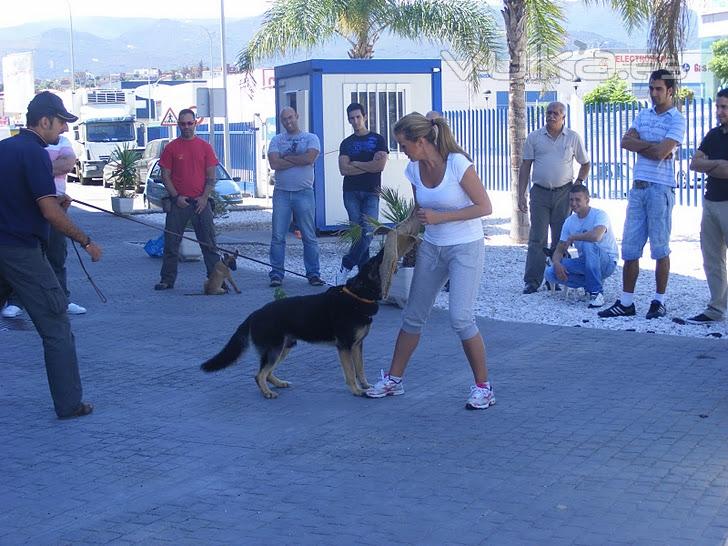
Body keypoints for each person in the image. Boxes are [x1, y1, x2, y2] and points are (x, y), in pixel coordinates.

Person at [365, 112, 495, 410]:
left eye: (404, 143)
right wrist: (395, 240)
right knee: (413, 315)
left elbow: (484, 206)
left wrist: (442, 218)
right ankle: (394, 380)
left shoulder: (458, 164)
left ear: (421, 141)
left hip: (465, 247)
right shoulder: (413, 170)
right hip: (432, 247)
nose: (402, 150)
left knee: (461, 318)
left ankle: (484, 387)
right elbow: (420, 212)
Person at [0, 91, 101, 419]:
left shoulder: (5, 149)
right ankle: (70, 404)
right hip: (21, 251)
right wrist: (86, 240)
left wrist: (55, 204)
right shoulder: (35, 153)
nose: (62, 131)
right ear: (44, 121)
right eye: (59, 123)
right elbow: (49, 213)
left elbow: (18, 199)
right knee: (57, 324)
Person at [599, 69, 685, 319]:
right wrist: (653, 146)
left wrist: (646, 147)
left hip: (660, 188)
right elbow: (626, 142)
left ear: (670, 90)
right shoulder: (643, 114)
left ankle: (659, 300)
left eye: (658, 89)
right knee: (630, 247)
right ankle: (626, 302)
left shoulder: (676, 119)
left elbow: (662, 152)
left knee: (660, 248)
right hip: (639, 188)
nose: (654, 93)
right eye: (651, 88)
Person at [1, 135, 86, 317]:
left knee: (56, 254)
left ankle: (62, 299)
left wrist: (35, 167)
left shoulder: (63, 142)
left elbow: (67, 164)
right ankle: (16, 301)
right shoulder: (22, 145)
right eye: (60, 122)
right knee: (26, 255)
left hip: (57, 204)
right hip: (27, 207)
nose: (64, 128)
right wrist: (46, 166)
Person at [518, 101, 590, 294]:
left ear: (563, 117)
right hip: (540, 192)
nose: (551, 116)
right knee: (537, 238)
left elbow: (585, 163)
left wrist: (579, 183)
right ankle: (532, 281)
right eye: (549, 113)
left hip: (564, 194)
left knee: (561, 238)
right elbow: (525, 166)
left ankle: (558, 278)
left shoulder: (573, 138)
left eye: (556, 113)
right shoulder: (534, 137)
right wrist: (521, 194)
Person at [154, 109, 221, 291]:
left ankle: (216, 281)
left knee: (209, 243)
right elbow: (165, 176)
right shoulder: (171, 148)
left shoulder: (205, 147)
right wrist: (176, 197)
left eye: (189, 123)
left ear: (195, 124)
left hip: (201, 203)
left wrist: (204, 198)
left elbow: (211, 177)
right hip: (179, 203)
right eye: (183, 124)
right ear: (178, 125)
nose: (186, 127)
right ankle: (167, 280)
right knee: (171, 244)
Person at [267, 107, 323, 287]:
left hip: (304, 192)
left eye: (290, 117)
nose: (288, 121)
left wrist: (287, 157)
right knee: (277, 236)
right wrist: (298, 157)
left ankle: (313, 274)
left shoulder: (311, 138)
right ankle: (276, 274)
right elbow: (274, 163)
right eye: (284, 119)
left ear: (297, 116)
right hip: (282, 193)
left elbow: (309, 159)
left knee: (309, 235)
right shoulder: (276, 139)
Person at [686, 88, 728, 324]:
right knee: (712, 259)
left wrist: (711, 165)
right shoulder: (714, 135)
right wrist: (717, 163)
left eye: (724, 107)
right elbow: (694, 163)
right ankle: (715, 308)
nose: (719, 112)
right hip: (710, 202)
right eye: (718, 107)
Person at [335, 102, 388, 285]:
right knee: (358, 233)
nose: (355, 121)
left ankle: (347, 263)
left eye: (358, 117)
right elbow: (344, 169)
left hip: (371, 192)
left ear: (364, 116)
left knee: (368, 231)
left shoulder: (378, 139)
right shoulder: (346, 143)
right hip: (351, 192)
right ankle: (364, 279)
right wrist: (367, 166)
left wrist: (355, 163)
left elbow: (379, 166)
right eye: (351, 118)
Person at [544, 185, 618, 308]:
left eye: (578, 200)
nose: (574, 203)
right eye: (571, 200)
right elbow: (559, 249)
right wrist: (557, 263)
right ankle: (591, 283)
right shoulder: (569, 221)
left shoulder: (600, 215)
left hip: (606, 262)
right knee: (550, 272)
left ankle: (596, 293)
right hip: (586, 263)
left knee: (588, 244)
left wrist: (574, 237)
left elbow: (596, 236)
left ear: (587, 200)